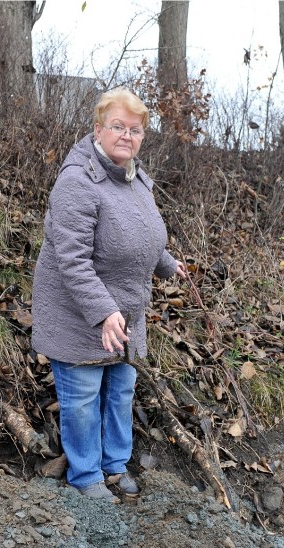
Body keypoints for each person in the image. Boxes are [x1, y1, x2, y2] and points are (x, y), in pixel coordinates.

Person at [31, 88, 187, 503]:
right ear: (98, 129)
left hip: (128, 314)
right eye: (117, 126)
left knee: (120, 390)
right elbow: (73, 259)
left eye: (135, 129)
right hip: (79, 314)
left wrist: (167, 264)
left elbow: (141, 234)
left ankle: (115, 467)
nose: (127, 135)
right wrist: (103, 313)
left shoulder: (134, 179)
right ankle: (85, 475)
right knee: (82, 397)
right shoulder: (77, 181)